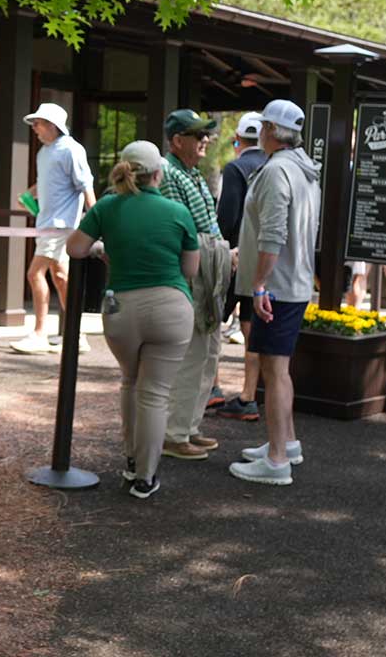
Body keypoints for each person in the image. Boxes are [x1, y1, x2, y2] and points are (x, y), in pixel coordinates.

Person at [67, 141, 199, 499]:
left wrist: (101, 249)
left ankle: (129, 458)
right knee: (155, 392)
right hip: (171, 307)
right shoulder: (177, 212)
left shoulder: (108, 207)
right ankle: (145, 475)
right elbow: (190, 269)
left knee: (130, 380)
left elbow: (75, 248)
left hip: (122, 308)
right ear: (158, 174)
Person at [229, 100, 321, 487]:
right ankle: (285, 443)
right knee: (278, 367)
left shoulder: (277, 171)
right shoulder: (303, 168)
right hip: (294, 282)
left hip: (276, 286)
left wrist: (260, 284)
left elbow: (272, 234)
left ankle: (277, 459)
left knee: (275, 369)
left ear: (268, 129)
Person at [157, 109, 232, 460]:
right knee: (193, 355)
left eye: (204, 134)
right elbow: (181, 229)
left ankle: (189, 427)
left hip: (210, 270)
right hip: (195, 273)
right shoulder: (169, 172)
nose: (204, 140)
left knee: (208, 353)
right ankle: (174, 433)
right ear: (177, 140)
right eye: (196, 134)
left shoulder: (192, 173)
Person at [12, 103, 96, 354]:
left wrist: (96, 217)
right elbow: (46, 182)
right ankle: (76, 334)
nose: (34, 128)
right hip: (48, 224)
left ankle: (40, 333)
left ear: (52, 125)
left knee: (34, 274)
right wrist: (29, 194)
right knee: (61, 279)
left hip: (60, 226)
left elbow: (85, 184)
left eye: (38, 123)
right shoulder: (44, 152)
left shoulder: (71, 150)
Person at [213, 112, 268, 421]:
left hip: (234, 255)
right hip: (262, 258)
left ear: (239, 140)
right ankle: (249, 394)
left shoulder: (236, 168)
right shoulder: (270, 166)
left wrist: (220, 247)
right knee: (250, 325)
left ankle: (212, 388)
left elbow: (228, 216)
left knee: (211, 321)